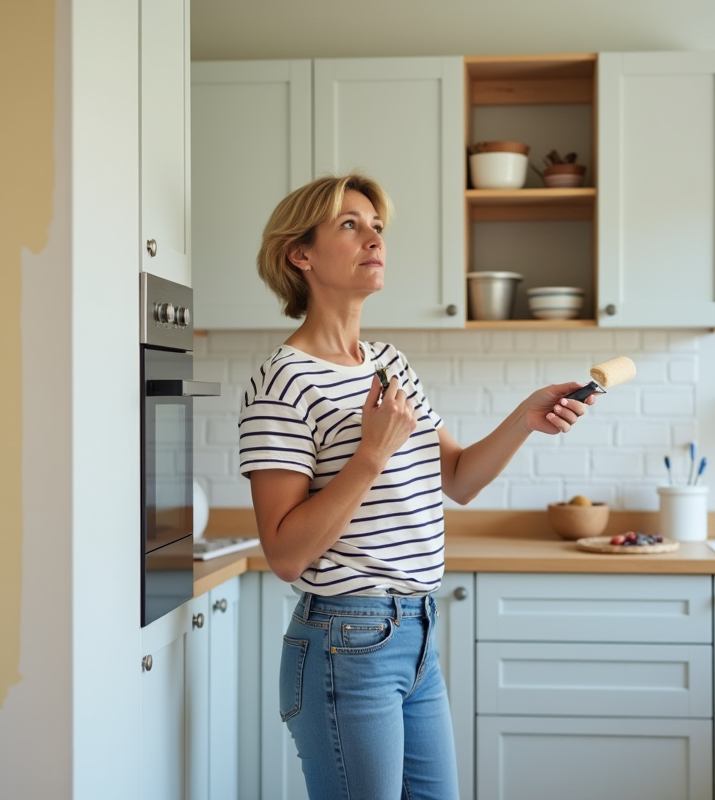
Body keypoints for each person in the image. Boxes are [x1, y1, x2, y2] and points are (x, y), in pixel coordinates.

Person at [239, 172, 598, 799]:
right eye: (350, 224)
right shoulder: (283, 380)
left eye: (377, 227)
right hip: (346, 642)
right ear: (301, 254)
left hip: (417, 633)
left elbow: (457, 479)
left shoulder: (388, 363)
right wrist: (370, 452)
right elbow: (285, 553)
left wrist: (525, 417)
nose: (374, 238)